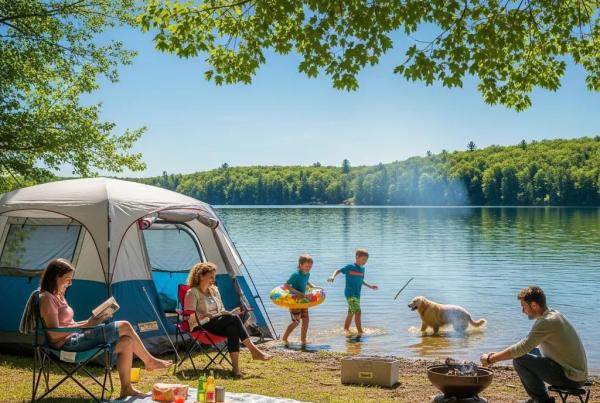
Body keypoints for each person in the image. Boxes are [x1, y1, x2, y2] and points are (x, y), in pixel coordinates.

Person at [38, 258, 172, 399]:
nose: (70, 284)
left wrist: (92, 321)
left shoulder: (59, 295)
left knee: (127, 342)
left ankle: (126, 389)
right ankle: (149, 361)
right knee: (125, 325)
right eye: (67, 279)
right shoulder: (47, 298)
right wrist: (87, 325)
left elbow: (68, 325)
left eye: (71, 280)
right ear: (55, 277)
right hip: (68, 345)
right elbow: (53, 334)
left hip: (77, 338)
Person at [480, 286, 588, 403]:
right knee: (530, 352)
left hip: (571, 378)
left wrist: (491, 359)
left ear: (534, 305)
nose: (522, 310)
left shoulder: (547, 322)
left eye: (524, 306)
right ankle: (536, 399)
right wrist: (498, 354)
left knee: (519, 359)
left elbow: (521, 348)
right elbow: (526, 345)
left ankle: (542, 401)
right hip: (574, 373)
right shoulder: (552, 315)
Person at [184, 262, 272, 377]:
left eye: (214, 277)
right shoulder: (192, 292)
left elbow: (221, 310)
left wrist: (229, 313)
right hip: (201, 325)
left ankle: (236, 369)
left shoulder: (214, 290)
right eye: (211, 277)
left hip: (217, 323)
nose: (213, 280)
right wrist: (205, 315)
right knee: (233, 319)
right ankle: (254, 351)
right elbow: (188, 315)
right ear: (201, 276)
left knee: (232, 329)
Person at [327, 248, 378, 336]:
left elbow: (360, 281)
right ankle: (360, 332)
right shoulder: (350, 267)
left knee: (351, 313)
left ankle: (346, 330)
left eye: (366, 260)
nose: (365, 261)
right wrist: (332, 277)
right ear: (357, 257)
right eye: (363, 259)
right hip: (350, 293)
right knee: (358, 312)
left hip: (357, 295)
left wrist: (370, 286)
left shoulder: (362, 269)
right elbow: (338, 270)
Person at [281, 254, 320, 345]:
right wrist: (299, 293)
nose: (308, 268)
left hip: (303, 301)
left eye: (310, 266)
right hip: (294, 301)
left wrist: (312, 286)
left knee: (306, 321)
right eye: (306, 266)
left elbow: (306, 281)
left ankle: (303, 340)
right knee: (296, 322)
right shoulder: (296, 274)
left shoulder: (307, 274)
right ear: (300, 265)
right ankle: (284, 338)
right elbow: (286, 286)